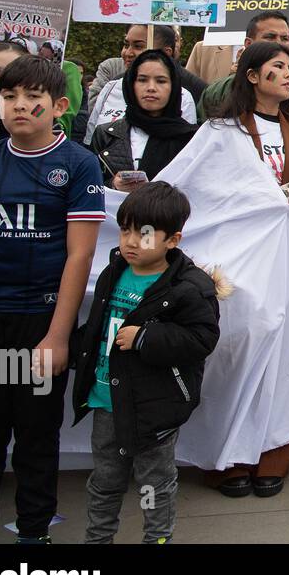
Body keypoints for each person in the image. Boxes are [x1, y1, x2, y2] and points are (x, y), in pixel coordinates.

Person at [0, 56, 105, 543]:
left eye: (33, 98)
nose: (20, 106)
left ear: (58, 106)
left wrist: (58, 337)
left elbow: (79, 259)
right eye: (10, 96)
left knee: (37, 436)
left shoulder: (78, 165)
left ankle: (33, 532)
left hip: (39, 319)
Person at [71, 182, 224, 544]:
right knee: (105, 480)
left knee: (153, 484)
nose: (131, 241)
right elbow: (97, 327)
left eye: (144, 234)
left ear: (172, 239)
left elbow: (203, 339)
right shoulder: (113, 272)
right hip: (105, 400)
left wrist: (144, 338)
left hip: (153, 408)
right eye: (125, 230)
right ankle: (98, 539)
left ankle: (156, 538)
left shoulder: (188, 287)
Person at [204, 39, 289, 498]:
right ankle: (229, 454)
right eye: (277, 66)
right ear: (251, 75)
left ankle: (274, 451)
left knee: (285, 355)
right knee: (238, 348)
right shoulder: (220, 133)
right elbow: (196, 187)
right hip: (240, 260)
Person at [199, 11, 289, 140]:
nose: (279, 43)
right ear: (248, 43)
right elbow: (206, 144)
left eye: (284, 38)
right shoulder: (217, 92)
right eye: (270, 37)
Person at [89, 49, 198, 191]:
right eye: (142, 80)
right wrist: (113, 185)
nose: (151, 88)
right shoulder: (105, 134)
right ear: (131, 84)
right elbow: (89, 187)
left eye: (161, 81)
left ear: (174, 86)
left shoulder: (193, 138)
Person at [85, 26, 199, 144]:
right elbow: (91, 141)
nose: (128, 53)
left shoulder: (183, 97)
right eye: (126, 45)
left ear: (166, 52)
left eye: (138, 46)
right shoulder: (110, 88)